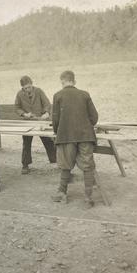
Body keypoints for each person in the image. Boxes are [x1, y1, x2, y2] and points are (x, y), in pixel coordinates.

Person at [51, 70, 99, 208]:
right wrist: (85, 126)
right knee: (87, 165)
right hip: (86, 136)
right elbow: (94, 117)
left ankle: (62, 193)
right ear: (74, 81)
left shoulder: (58, 96)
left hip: (66, 136)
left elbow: (55, 120)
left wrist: (58, 131)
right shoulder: (85, 94)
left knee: (66, 164)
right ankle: (88, 198)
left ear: (63, 81)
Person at [14, 75, 57, 174]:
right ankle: (25, 165)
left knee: (47, 140)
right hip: (28, 122)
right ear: (22, 88)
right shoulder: (19, 94)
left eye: (29, 87)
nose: (28, 89)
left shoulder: (39, 91)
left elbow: (47, 104)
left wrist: (46, 113)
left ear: (31, 84)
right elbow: (17, 107)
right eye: (25, 88)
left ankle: (56, 159)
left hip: (41, 121)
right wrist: (24, 114)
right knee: (26, 142)